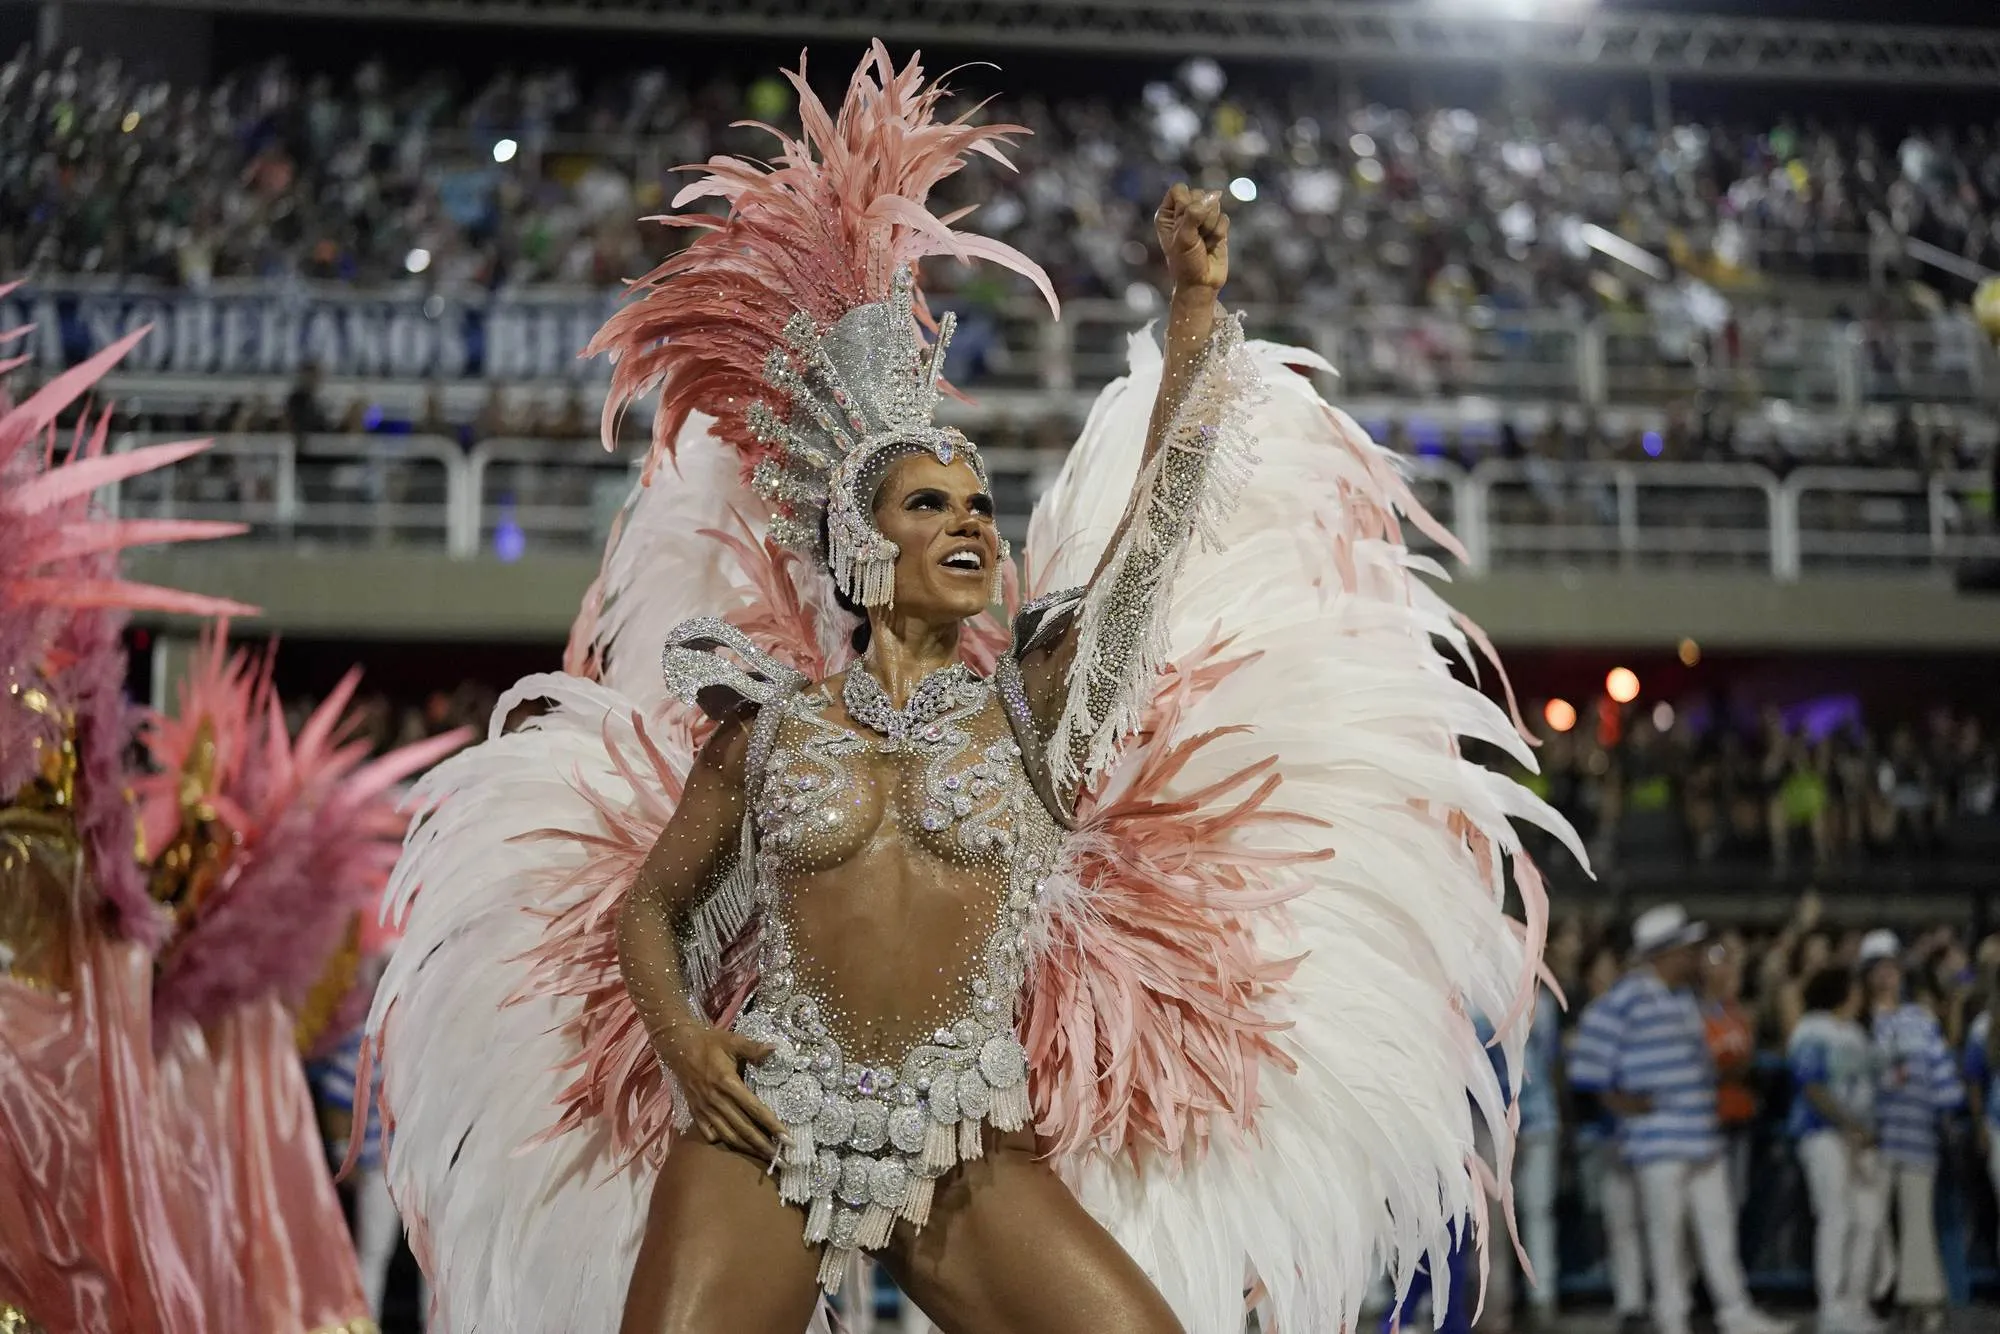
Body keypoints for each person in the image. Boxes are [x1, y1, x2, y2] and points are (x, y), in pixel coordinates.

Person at [363, 44, 1579, 1334]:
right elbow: (653, 910)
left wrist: (1189, 315)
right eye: (929, 503)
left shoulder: (1032, 712)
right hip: (770, 1123)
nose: (969, 522)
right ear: (857, 539)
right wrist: (686, 1039)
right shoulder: (767, 729)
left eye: (980, 505)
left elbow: (1151, 538)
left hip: (963, 1140)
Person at [1570, 904, 1790, 1334]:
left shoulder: (1687, 1000)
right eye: (1688, 950)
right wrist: (1626, 1106)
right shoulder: (1625, 1000)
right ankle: (1672, 1318)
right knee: (1665, 1237)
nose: (1695, 957)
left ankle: (1735, 1311)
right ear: (1665, 954)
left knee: (1717, 1231)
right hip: (1658, 1142)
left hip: (1702, 1137)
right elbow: (1588, 1068)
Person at [1858, 930, 1962, 1332]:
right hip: (1873, 1138)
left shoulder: (1919, 1018)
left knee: (1918, 1220)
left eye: (1892, 966)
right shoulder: (1860, 1021)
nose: (1888, 975)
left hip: (1918, 1133)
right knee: (1870, 1222)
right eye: (1879, 968)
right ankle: (1871, 1295)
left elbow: (1940, 1069)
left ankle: (1920, 1300)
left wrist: (1948, 1111)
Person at [1788, 964, 1888, 1334]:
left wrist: (1867, 1130)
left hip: (1859, 1137)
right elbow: (1812, 1086)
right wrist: (1851, 1126)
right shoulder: (1811, 1030)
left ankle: (1856, 1303)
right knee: (1836, 1217)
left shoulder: (1855, 1033)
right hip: (1823, 1135)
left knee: (1868, 1218)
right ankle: (1831, 1307)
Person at [1703, 935, 1760, 1209]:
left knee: (1736, 1196)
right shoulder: (1695, 1012)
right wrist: (1729, 1066)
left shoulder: (1739, 1015)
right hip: (1710, 1115)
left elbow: (1747, 1059)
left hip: (1739, 1113)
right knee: (1711, 1196)